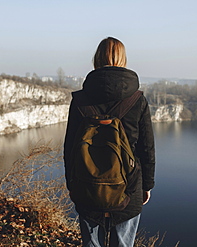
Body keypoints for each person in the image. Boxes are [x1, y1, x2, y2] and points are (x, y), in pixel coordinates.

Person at [64, 37, 155, 247]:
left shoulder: (79, 100)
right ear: (123, 59)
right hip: (128, 188)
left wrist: (72, 183)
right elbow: (147, 149)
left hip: (87, 185)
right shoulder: (138, 100)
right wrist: (147, 185)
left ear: (96, 58)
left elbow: (70, 148)